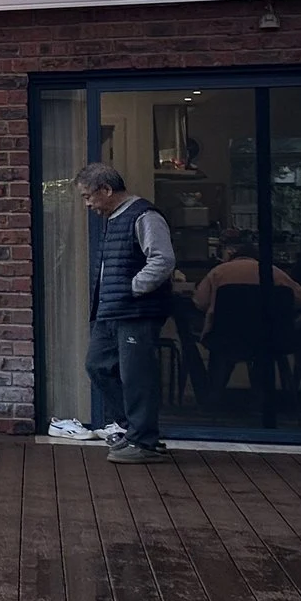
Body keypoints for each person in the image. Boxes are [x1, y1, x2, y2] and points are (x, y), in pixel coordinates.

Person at [78, 161, 175, 461]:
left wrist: (132, 288)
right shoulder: (113, 218)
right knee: (98, 365)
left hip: (135, 312)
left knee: (137, 376)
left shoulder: (144, 215)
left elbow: (162, 259)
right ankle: (135, 429)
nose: (87, 204)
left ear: (106, 189)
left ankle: (144, 441)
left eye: (88, 196)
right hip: (110, 311)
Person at [192, 231, 301, 315]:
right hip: (269, 339)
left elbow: (200, 302)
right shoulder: (273, 272)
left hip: (226, 338)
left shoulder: (218, 272)